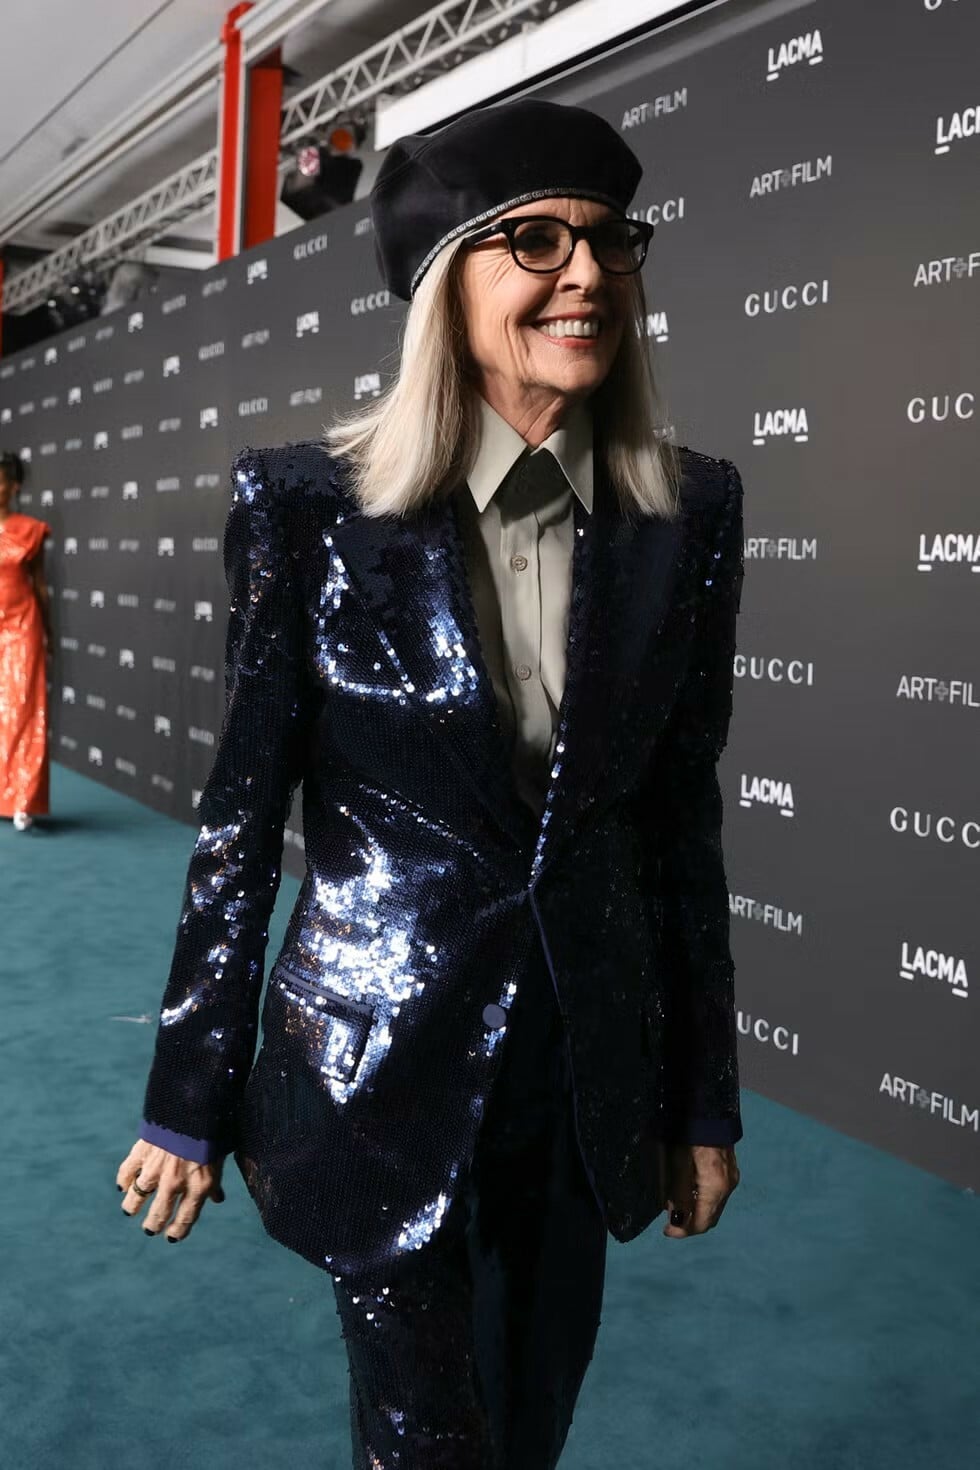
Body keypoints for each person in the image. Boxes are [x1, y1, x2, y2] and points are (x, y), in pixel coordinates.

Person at [118, 98, 745, 1468]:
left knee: (529, 1420)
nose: (586, 274)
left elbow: (677, 826)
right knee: (426, 1442)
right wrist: (187, 1093)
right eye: (535, 242)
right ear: (446, 281)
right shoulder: (305, 508)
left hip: (582, 1074)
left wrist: (698, 1100)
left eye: (608, 241)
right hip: (375, 1068)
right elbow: (240, 824)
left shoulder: (688, 513)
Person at [0, 449, 52, 832]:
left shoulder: (30, 530)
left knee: (25, 709)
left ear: (14, 487)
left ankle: (23, 800)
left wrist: (50, 632)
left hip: (22, 625)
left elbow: (40, 585)